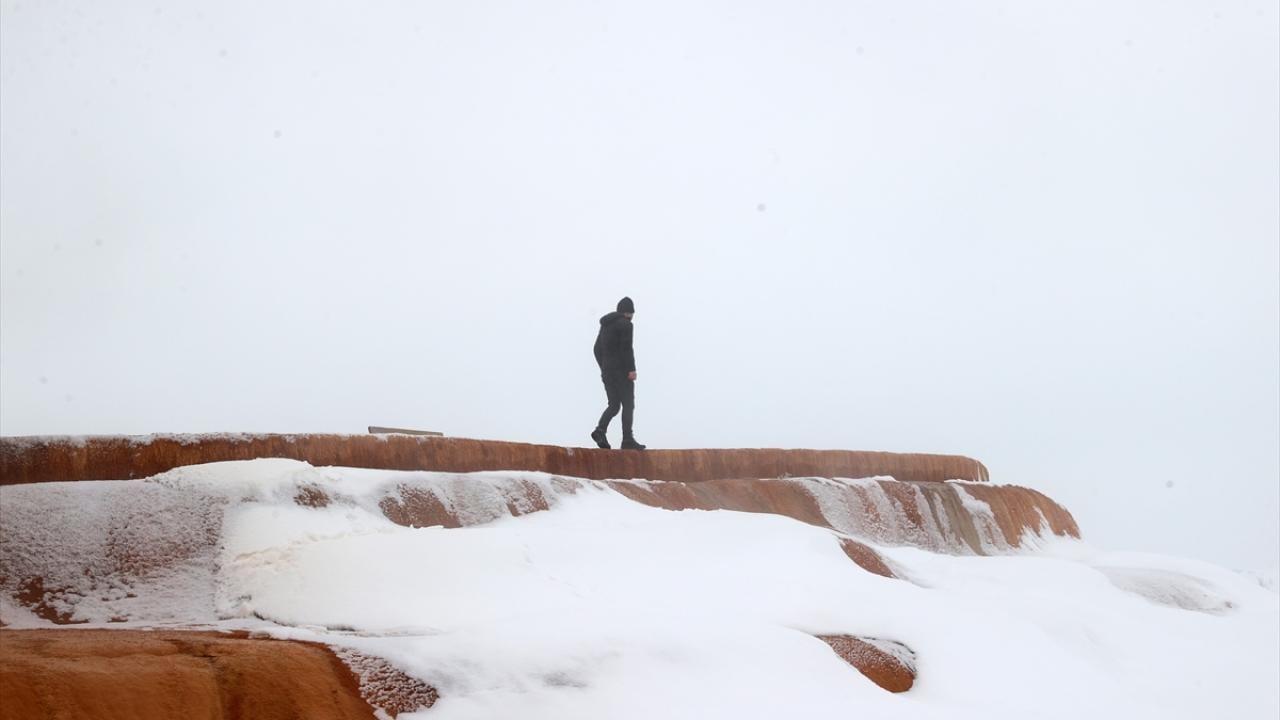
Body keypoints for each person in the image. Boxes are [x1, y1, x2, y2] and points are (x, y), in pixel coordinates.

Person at [591, 296, 645, 450]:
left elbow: (596, 349)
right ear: (629, 313)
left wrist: (605, 367)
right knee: (628, 404)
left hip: (607, 372)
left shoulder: (605, 326)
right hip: (622, 372)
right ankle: (627, 439)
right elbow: (627, 349)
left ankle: (600, 430)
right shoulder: (626, 325)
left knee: (614, 405)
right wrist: (631, 369)